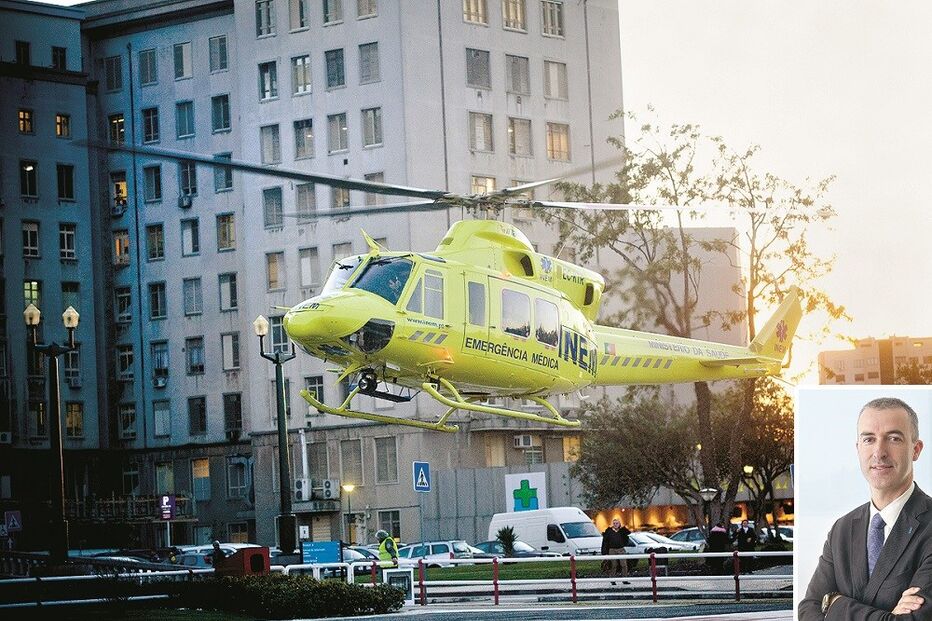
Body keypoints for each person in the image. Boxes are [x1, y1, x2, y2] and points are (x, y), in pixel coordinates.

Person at [799, 397, 932, 619]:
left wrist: (834, 604)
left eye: (893, 438)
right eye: (869, 439)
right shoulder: (841, 530)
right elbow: (807, 611)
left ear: (916, 450)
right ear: (858, 448)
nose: (879, 452)